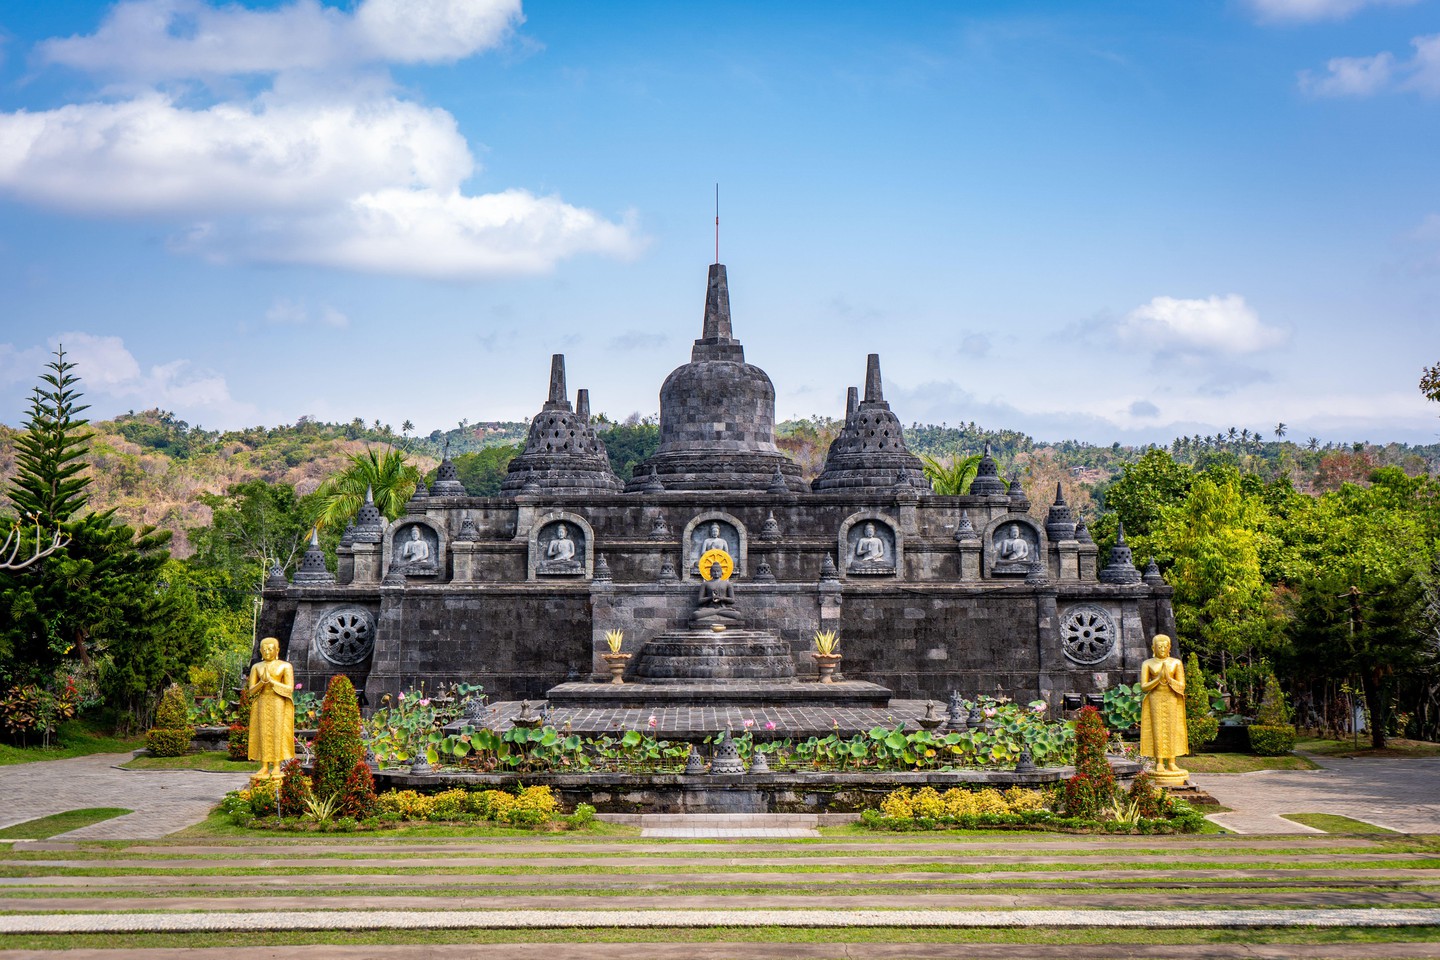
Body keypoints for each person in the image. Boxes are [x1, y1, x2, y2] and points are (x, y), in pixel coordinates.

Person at [1139, 633, 1189, 784]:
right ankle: (1159, 762)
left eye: (1164, 646)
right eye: (1159, 647)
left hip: (1171, 697)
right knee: (1158, 729)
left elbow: (1182, 685)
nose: (1162, 649)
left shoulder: (1176, 663)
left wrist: (1169, 678)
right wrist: (1157, 679)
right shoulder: (1148, 663)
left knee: (1171, 729)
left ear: (1169, 648)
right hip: (1155, 698)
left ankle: (1172, 762)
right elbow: (1144, 687)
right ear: (1153, 648)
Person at [247, 636, 295, 780]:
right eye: (264, 649)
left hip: (278, 701)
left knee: (277, 732)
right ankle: (264, 766)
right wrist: (262, 682)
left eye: (270, 649)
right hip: (262, 701)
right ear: (260, 651)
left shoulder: (285, 666)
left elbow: (290, 688)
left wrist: (272, 682)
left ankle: (276, 765)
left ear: (277, 650)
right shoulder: (257, 667)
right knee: (263, 732)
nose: (267, 652)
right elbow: (251, 691)